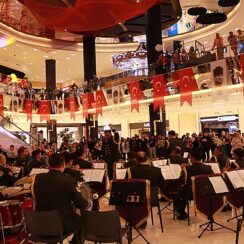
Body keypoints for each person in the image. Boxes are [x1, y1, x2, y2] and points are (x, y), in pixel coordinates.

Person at [32, 153, 90, 244]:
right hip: (59, 225)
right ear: (63, 165)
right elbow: (81, 204)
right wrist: (89, 203)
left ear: (49, 165)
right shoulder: (69, 181)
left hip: (40, 224)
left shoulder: (37, 179)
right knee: (84, 222)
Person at [174, 149, 213, 220]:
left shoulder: (187, 169)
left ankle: (181, 213)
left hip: (191, 193)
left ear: (193, 158)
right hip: (205, 192)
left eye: (190, 157)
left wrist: (182, 170)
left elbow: (181, 181)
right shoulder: (208, 168)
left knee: (178, 193)